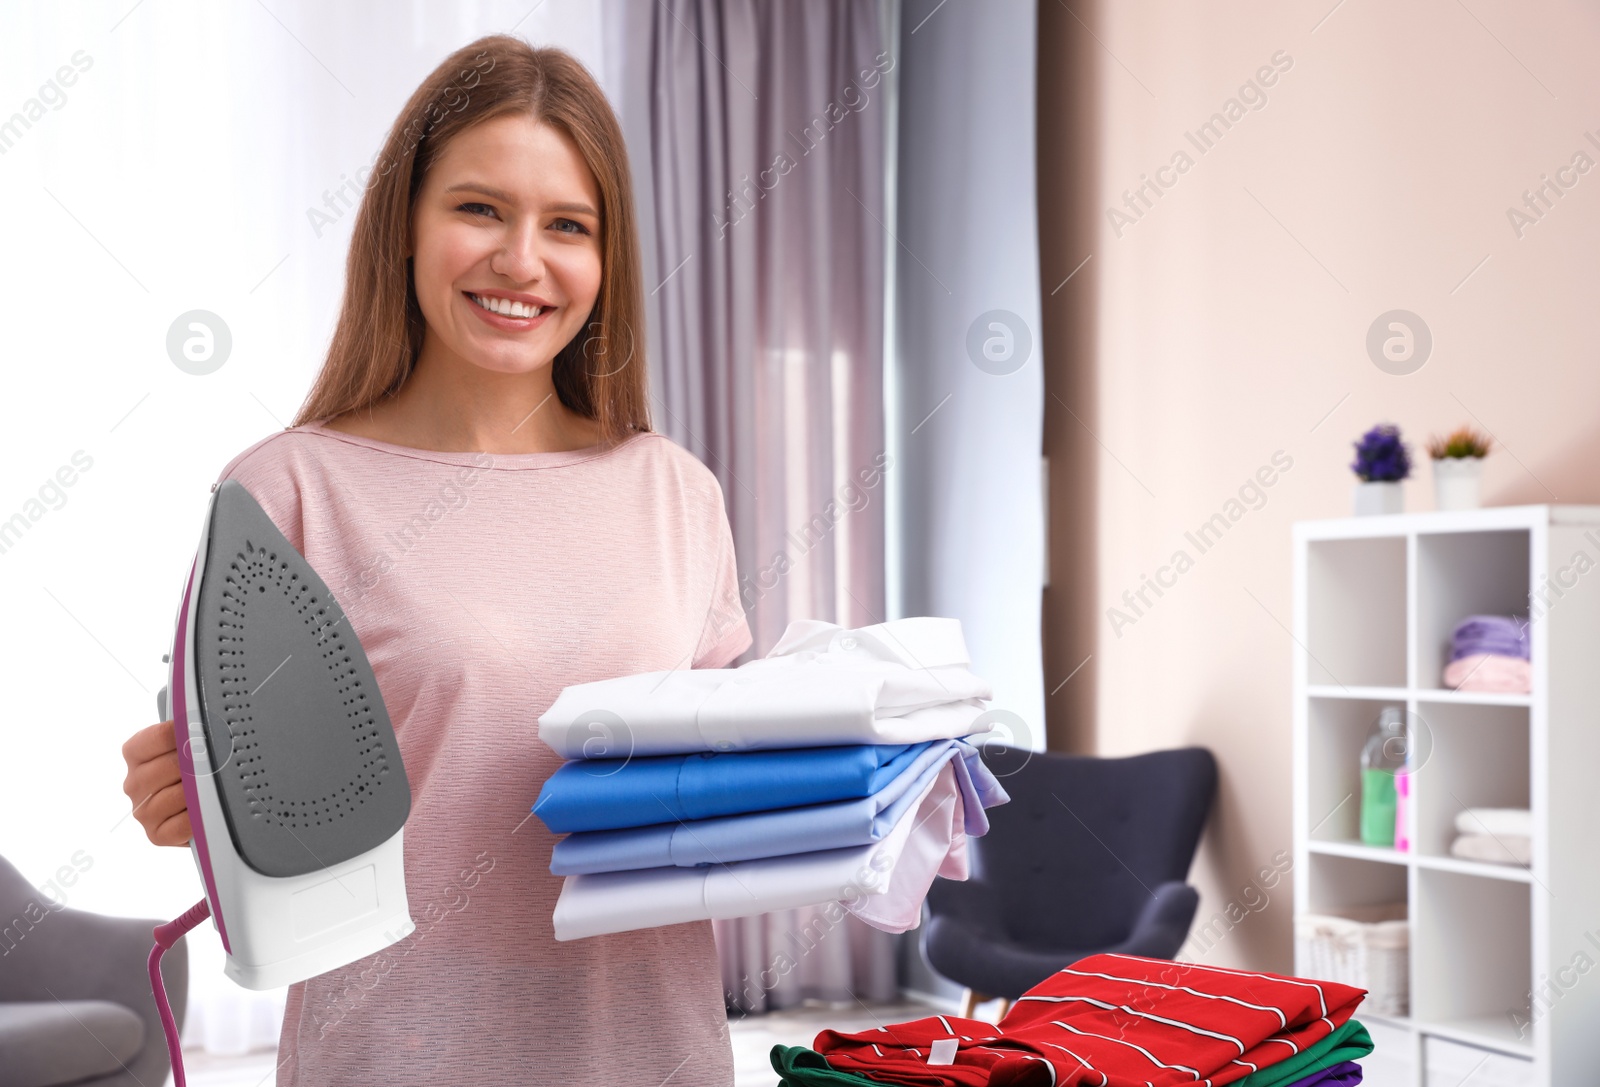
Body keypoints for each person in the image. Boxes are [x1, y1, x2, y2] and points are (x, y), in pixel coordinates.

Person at [119, 35, 751, 1086]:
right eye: (478, 210)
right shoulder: (287, 492)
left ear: (608, 259)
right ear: (403, 226)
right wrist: (186, 806)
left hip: (650, 1055)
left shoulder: (675, 490)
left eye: (567, 226)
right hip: (390, 1057)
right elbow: (251, 816)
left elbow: (733, 790)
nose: (522, 260)